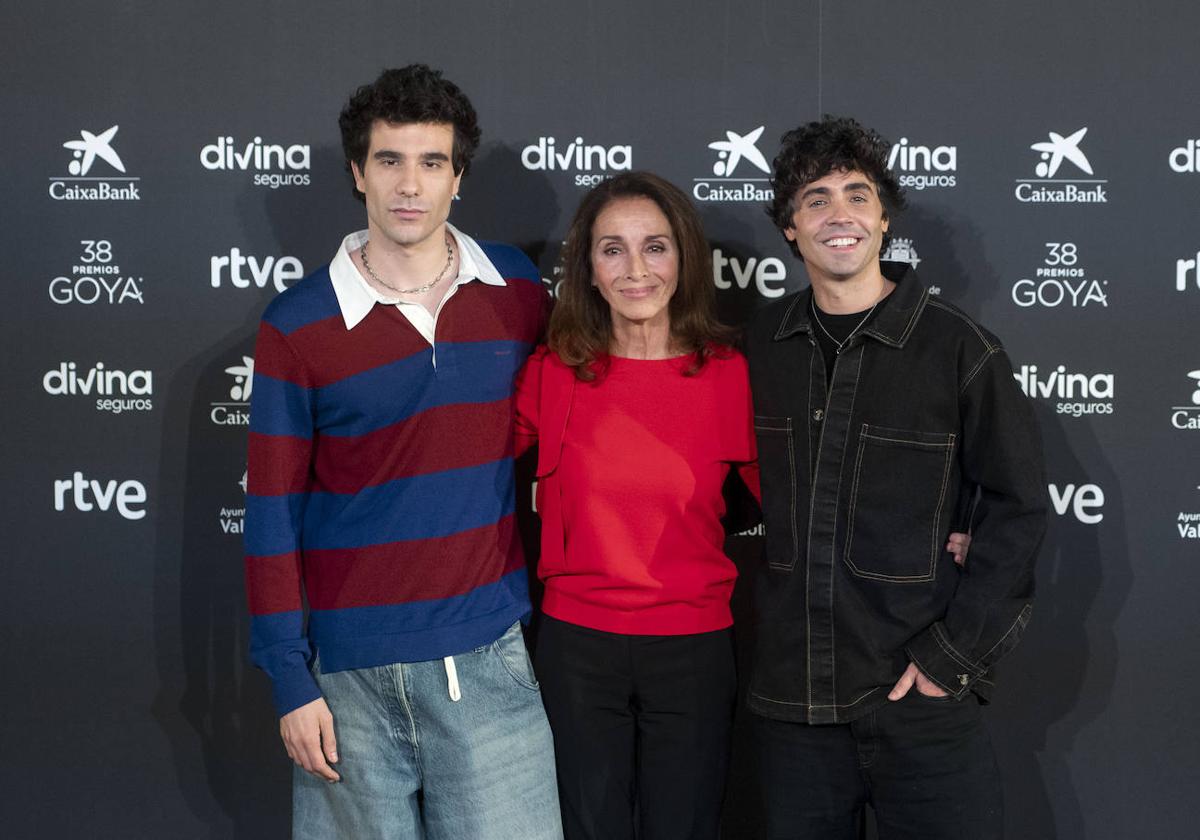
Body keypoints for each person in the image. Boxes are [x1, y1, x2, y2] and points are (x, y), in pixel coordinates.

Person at [243, 65, 562, 839]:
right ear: (358, 173)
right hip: (347, 682)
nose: (409, 185)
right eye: (389, 161)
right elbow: (271, 516)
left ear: (459, 176)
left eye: (431, 162)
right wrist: (291, 679)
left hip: (491, 662)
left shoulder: (516, 291)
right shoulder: (298, 325)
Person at [742, 116, 1046, 839]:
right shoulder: (756, 349)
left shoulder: (958, 349)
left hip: (919, 706)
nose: (838, 214)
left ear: (883, 218)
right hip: (793, 713)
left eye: (857, 194)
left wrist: (949, 661)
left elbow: (1019, 510)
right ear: (790, 227)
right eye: (815, 199)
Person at [513, 171, 758, 840]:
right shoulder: (553, 372)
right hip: (577, 648)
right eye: (611, 249)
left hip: (694, 648)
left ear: (683, 259)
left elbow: (802, 503)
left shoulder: (730, 375)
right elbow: (460, 468)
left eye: (654, 247)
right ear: (587, 268)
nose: (634, 269)